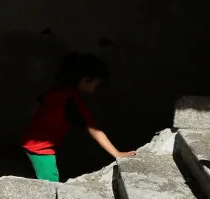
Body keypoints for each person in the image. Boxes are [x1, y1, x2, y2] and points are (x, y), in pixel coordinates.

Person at [21, 53, 135, 182]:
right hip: (41, 149)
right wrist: (117, 153)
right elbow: (94, 131)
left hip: (30, 137)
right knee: (50, 182)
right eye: (97, 84)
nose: (98, 88)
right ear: (86, 81)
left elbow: (37, 104)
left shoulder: (58, 90)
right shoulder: (73, 100)